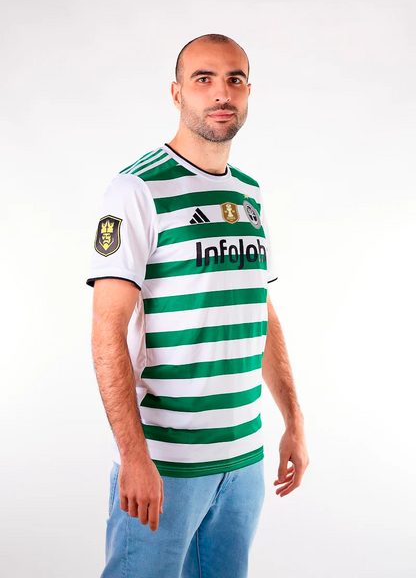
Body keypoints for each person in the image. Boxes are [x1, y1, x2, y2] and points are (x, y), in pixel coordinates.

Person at [86, 33, 309, 578]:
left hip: (243, 461)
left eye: (235, 80)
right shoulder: (136, 189)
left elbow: (260, 311)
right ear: (177, 92)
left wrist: (294, 420)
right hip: (166, 463)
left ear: (249, 92)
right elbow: (107, 330)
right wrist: (134, 456)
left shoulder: (250, 194)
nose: (220, 93)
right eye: (203, 79)